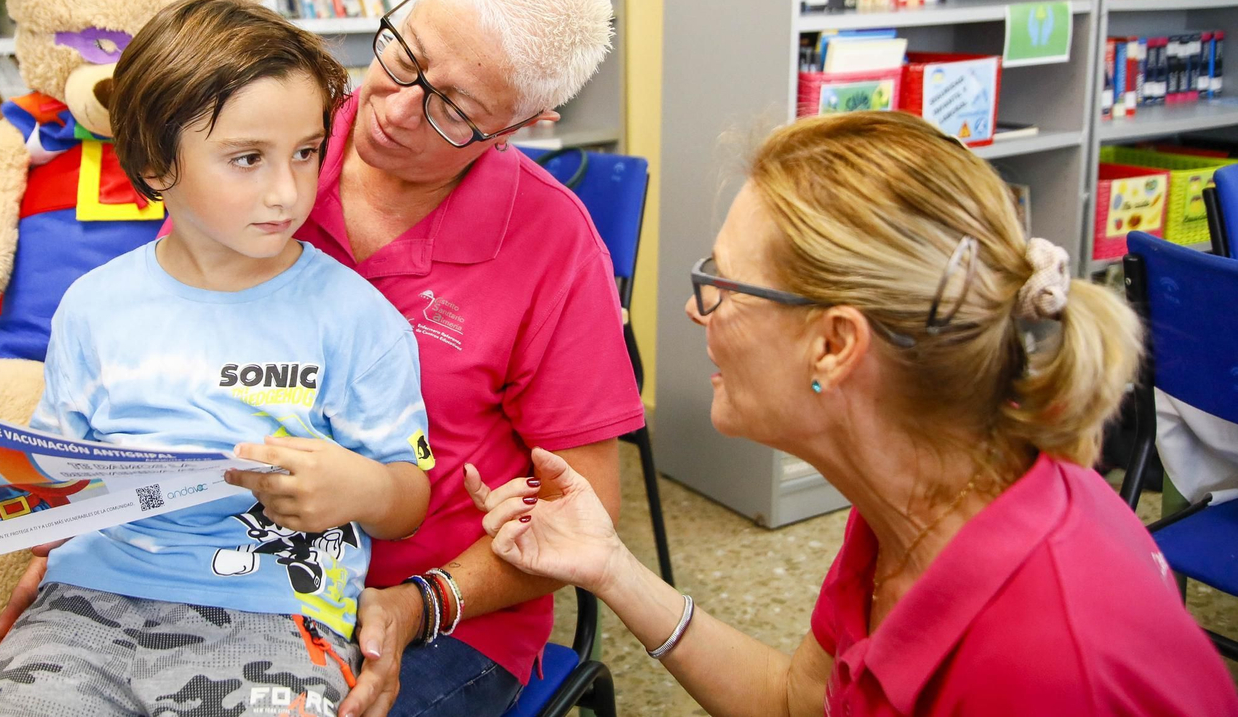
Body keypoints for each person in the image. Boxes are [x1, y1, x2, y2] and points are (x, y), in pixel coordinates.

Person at [0, 0, 645, 717]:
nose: (392, 108)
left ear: (524, 122)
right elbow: (137, 385)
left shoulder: (552, 244)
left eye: (452, 109)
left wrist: (422, 603)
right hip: (165, 564)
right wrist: (73, 543)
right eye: (404, 53)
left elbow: (578, 513)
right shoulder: (271, 133)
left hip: (430, 608)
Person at [471, 111, 1238, 716]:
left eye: (723, 284)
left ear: (835, 344)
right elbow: (797, 702)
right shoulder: (911, 497)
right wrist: (610, 568)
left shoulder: (1042, 659)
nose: (693, 308)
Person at [0, 0, 433, 716]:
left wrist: (357, 488)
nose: (286, 190)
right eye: (247, 159)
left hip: (274, 611)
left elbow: (408, 501)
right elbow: (50, 481)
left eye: (306, 152)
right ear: (153, 165)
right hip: (87, 604)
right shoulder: (93, 305)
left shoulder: (357, 319)